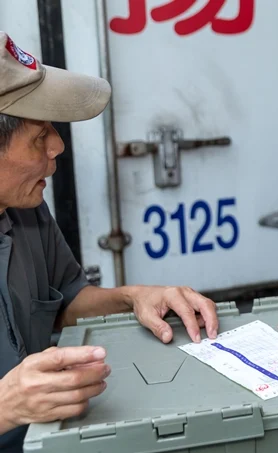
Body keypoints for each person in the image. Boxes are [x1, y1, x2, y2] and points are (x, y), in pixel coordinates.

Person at [0, 31, 220, 452]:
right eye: (38, 135)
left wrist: (134, 297)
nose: (58, 146)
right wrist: (6, 406)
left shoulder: (25, 207)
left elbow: (65, 303)